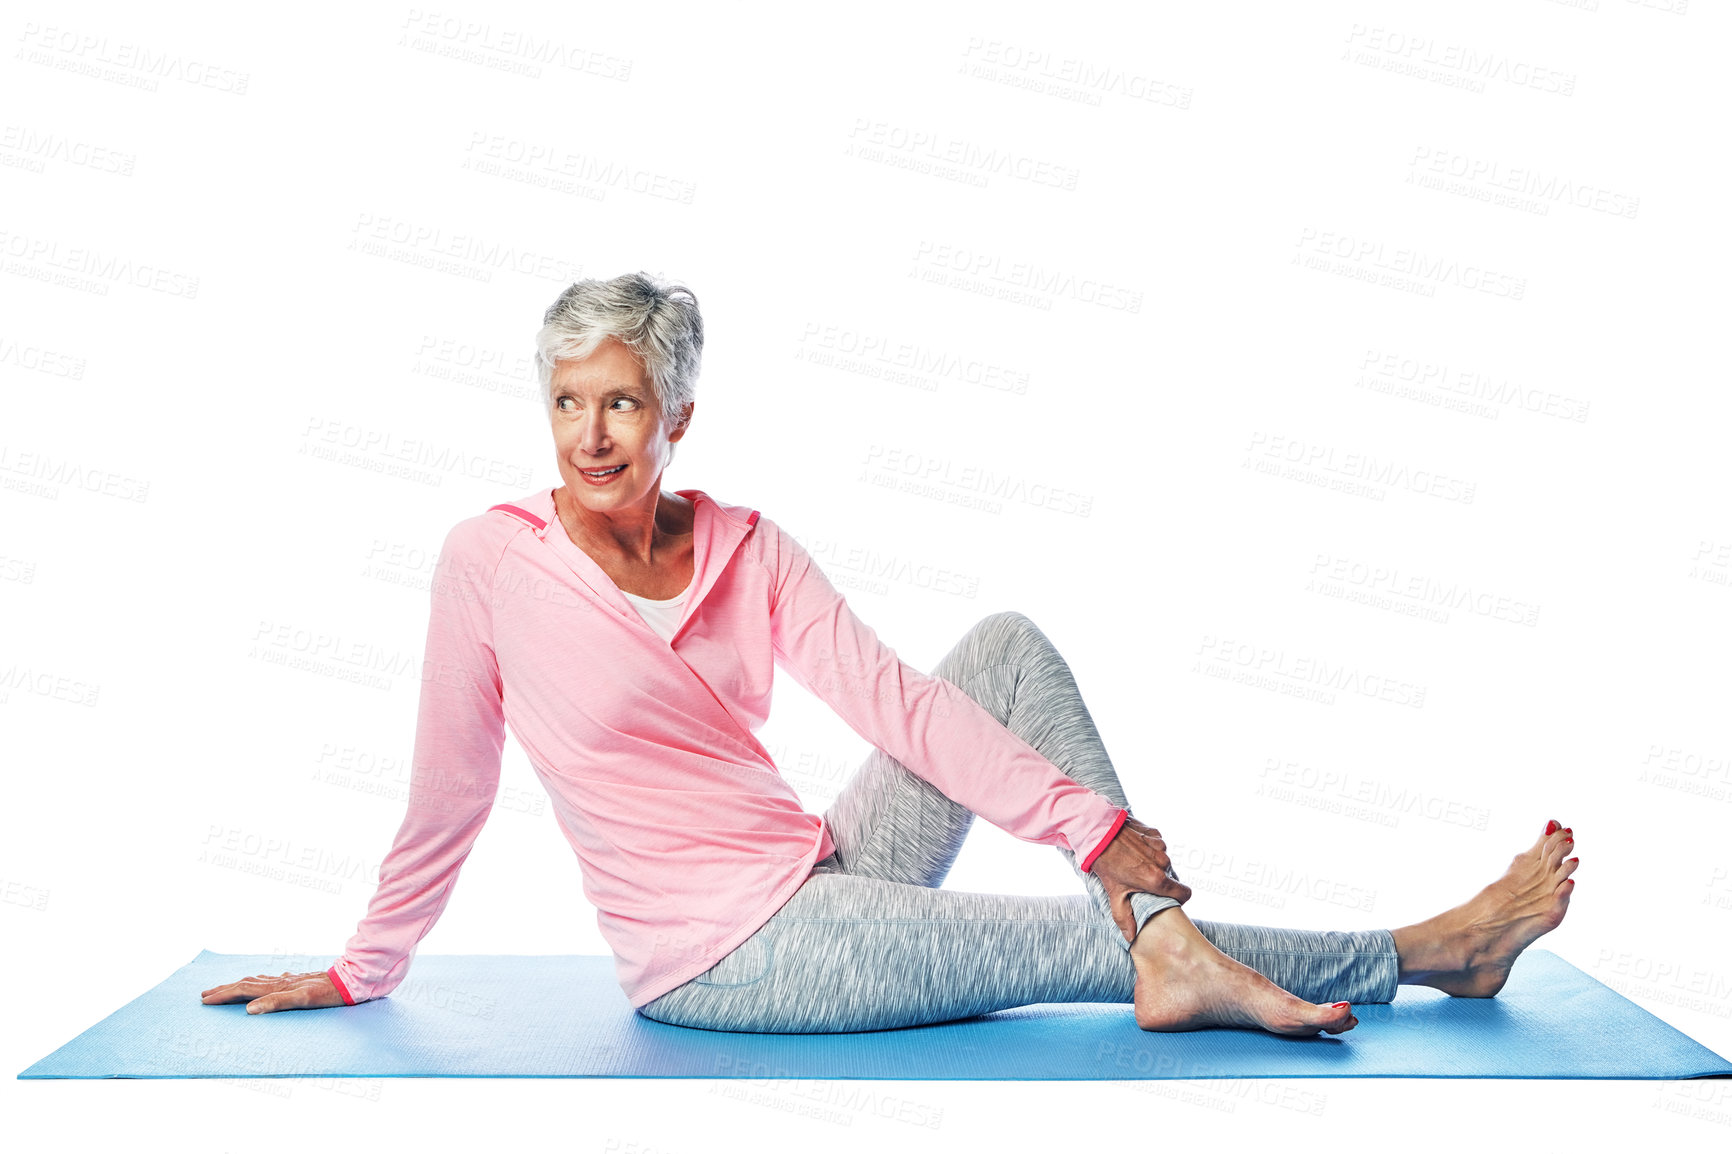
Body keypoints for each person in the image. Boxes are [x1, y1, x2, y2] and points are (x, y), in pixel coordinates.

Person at [202, 273, 1580, 1035]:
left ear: (678, 411)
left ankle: (1166, 935)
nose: (591, 433)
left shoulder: (746, 546)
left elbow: (901, 707)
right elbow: (448, 791)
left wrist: (1091, 826)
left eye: (621, 398)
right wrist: (362, 964)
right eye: (567, 401)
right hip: (721, 955)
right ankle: (1423, 949)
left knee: (1004, 651)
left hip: (815, 869)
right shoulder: (489, 563)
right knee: (1066, 944)